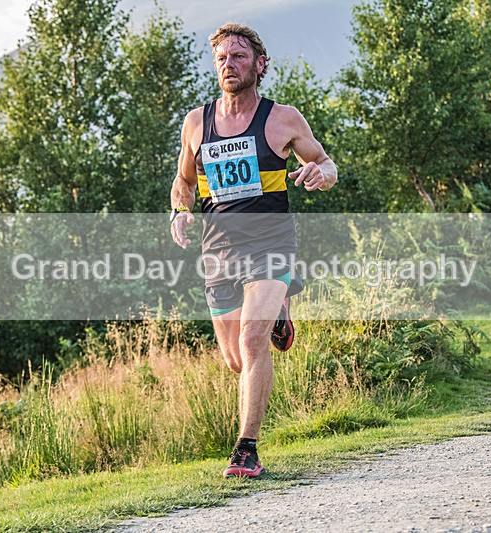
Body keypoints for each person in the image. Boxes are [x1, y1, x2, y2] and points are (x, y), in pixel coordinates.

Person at [169, 22, 337, 478]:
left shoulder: (282, 118)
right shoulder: (196, 123)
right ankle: (281, 310)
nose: (229, 64)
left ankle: (247, 449)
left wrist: (323, 173)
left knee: (251, 338)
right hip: (218, 248)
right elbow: (183, 183)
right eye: (222, 57)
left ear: (259, 65)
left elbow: (324, 162)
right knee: (236, 359)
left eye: (239, 56)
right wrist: (179, 213)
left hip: (271, 243)